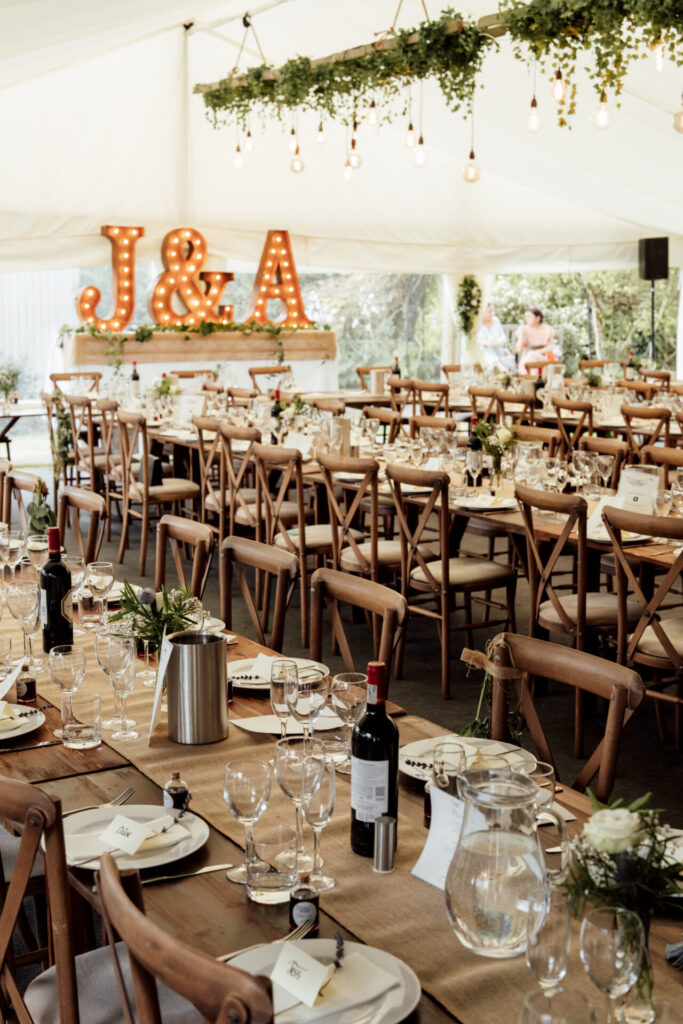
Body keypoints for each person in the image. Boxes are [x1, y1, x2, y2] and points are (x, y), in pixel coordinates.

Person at [477, 303, 516, 373]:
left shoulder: (495, 320)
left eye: (493, 311)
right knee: (487, 352)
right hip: (484, 351)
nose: (492, 313)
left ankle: (502, 369)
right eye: (489, 311)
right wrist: (488, 343)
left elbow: (503, 336)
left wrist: (498, 342)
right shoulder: (477, 324)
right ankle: (500, 367)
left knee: (507, 357)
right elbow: (477, 340)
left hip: (498, 349)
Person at [515, 307, 555, 375]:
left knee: (532, 355)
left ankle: (525, 372)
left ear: (538, 318)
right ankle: (533, 379)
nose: (527, 319)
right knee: (531, 358)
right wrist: (521, 334)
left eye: (530, 316)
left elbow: (550, 347)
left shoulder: (546, 329)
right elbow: (519, 349)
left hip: (543, 355)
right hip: (527, 357)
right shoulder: (525, 329)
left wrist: (535, 352)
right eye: (526, 316)